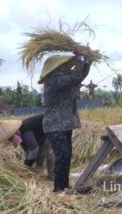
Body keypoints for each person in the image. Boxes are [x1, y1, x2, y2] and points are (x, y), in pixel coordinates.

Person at [39, 52, 91, 192]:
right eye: (65, 65)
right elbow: (75, 77)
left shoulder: (64, 80)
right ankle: (58, 188)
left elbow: (79, 76)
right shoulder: (54, 80)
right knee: (62, 153)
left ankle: (64, 186)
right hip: (53, 125)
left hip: (64, 124)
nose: (68, 67)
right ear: (58, 67)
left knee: (66, 154)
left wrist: (88, 61)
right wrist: (79, 59)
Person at [0, 114, 54, 178]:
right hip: (39, 134)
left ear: (14, 133)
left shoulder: (25, 131)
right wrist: (24, 167)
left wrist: (27, 164)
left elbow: (34, 150)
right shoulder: (19, 135)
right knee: (39, 153)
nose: (10, 140)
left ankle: (52, 176)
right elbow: (27, 151)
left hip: (51, 126)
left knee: (48, 152)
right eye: (9, 139)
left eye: (11, 138)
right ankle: (39, 173)